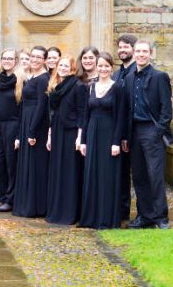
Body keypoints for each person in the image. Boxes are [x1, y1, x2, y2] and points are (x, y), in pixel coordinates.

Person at [124, 41, 173, 230]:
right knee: (139, 176)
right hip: (134, 132)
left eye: (144, 51)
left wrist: (158, 131)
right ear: (134, 54)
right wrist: (125, 137)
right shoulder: (129, 77)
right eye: (138, 51)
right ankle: (144, 216)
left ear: (150, 54)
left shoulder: (159, 77)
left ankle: (161, 217)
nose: (141, 54)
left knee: (155, 175)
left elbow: (166, 110)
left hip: (151, 130)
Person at [79, 52, 126, 229]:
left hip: (109, 135)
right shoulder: (90, 87)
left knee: (107, 176)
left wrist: (116, 142)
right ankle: (91, 218)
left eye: (107, 66)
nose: (103, 69)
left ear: (111, 67)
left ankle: (106, 218)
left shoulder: (118, 88)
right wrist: (83, 140)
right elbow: (85, 115)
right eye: (100, 66)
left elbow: (120, 117)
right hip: (92, 134)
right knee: (92, 174)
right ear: (96, 67)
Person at [45, 54, 87, 225]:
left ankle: (69, 213)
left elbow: (82, 112)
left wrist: (79, 137)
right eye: (60, 65)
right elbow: (52, 113)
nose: (62, 68)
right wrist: (49, 136)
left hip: (71, 134)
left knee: (70, 173)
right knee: (57, 172)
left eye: (66, 66)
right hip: (57, 132)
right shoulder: (56, 86)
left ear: (72, 69)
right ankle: (56, 211)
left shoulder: (78, 86)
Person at [12, 46, 50, 218]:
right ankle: (25, 204)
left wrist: (32, 132)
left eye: (38, 57)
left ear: (44, 60)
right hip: (27, 121)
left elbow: (42, 106)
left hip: (36, 125)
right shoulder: (31, 76)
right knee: (27, 165)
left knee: (35, 166)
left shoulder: (43, 78)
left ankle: (36, 207)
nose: (34, 60)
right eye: (32, 56)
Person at [0, 49, 22, 213]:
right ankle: (1, 198)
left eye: (10, 58)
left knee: (11, 163)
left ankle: (11, 199)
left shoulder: (20, 81)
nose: (7, 61)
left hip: (12, 125)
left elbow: (22, 110)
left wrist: (18, 135)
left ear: (15, 60)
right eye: (4, 58)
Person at [112, 34, 137, 222]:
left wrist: (126, 135)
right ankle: (119, 209)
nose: (122, 50)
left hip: (132, 132)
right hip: (116, 131)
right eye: (120, 47)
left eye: (126, 47)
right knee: (118, 173)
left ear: (134, 49)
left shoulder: (136, 72)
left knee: (133, 174)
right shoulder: (117, 73)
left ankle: (128, 210)